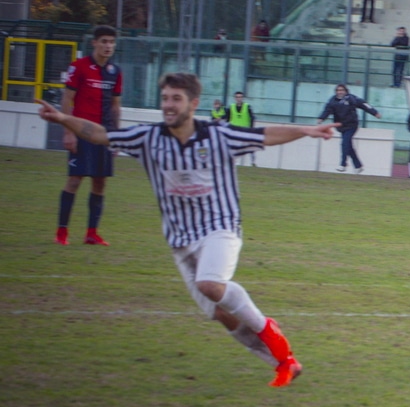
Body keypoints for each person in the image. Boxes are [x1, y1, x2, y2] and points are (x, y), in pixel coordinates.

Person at [38, 72, 336, 387]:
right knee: (221, 314)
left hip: (220, 228)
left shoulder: (219, 136)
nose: (168, 105)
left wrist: (306, 130)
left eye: (176, 99)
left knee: (210, 284)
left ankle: (276, 340)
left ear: (193, 103)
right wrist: (62, 118)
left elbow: (265, 134)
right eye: (165, 98)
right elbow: (99, 134)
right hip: (180, 241)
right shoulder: (147, 138)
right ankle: (284, 363)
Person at [56, 25, 121, 246]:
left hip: (103, 134)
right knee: (75, 180)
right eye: (104, 41)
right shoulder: (79, 67)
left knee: (100, 182)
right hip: (82, 131)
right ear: (94, 43)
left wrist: (116, 137)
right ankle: (62, 231)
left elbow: (115, 106)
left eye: (111, 42)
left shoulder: (115, 71)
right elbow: (66, 99)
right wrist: (68, 131)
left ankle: (92, 233)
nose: (108, 46)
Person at [317, 84, 380, 174]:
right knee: (348, 146)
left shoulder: (351, 98)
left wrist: (375, 113)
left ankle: (343, 164)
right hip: (341, 126)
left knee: (344, 143)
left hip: (352, 125)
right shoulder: (333, 101)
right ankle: (358, 166)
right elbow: (327, 111)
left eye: (342, 90)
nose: (340, 92)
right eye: (338, 90)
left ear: (346, 91)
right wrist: (321, 118)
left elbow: (364, 104)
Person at [228, 91, 256, 167]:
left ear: (242, 98)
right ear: (235, 98)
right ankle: (233, 161)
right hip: (235, 130)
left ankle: (253, 161)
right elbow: (227, 118)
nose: (238, 98)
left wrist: (251, 128)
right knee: (233, 146)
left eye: (240, 97)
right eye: (237, 97)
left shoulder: (247, 106)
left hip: (245, 129)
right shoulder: (232, 107)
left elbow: (252, 117)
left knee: (250, 145)